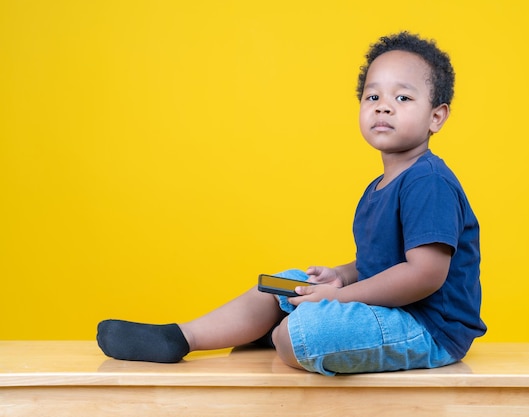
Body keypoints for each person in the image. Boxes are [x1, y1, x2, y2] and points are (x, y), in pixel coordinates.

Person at [96, 31, 487, 376]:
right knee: (287, 283)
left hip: (428, 329)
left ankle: (280, 334)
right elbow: (385, 262)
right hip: (387, 311)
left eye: (402, 97)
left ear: (437, 116)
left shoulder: (428, 182)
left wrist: (338, 297)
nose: (383, 106)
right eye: (373, 96)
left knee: (304, 332)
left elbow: (424, 274)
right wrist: (341, 276)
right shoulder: (380, 185)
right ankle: (183, 336)